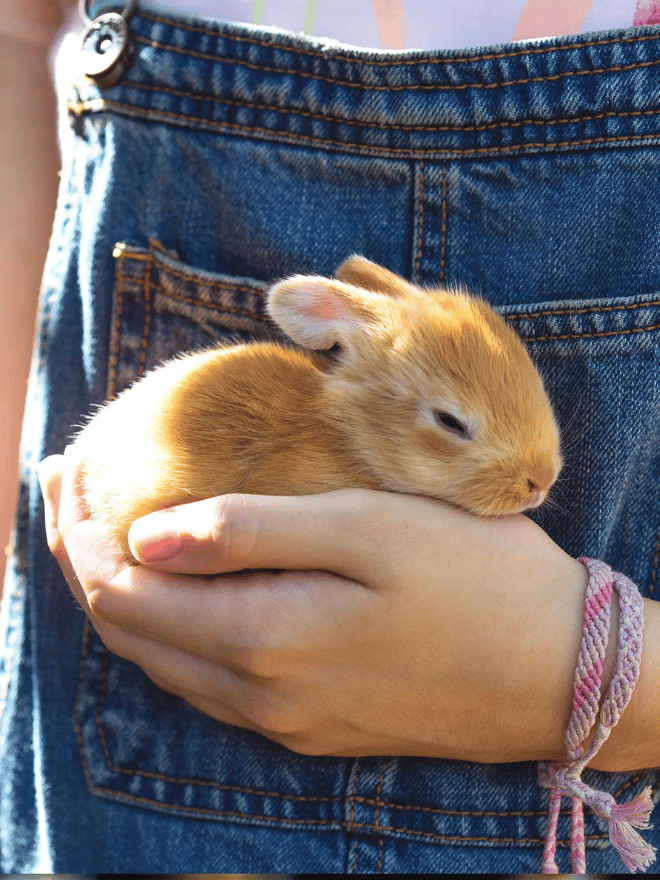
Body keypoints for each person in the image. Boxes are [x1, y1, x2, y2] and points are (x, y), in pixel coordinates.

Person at [2, 0, 659, 872]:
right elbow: (16, 32)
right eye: (452, 425)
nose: (543, 481)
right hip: (138, 741)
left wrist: (601, 675)